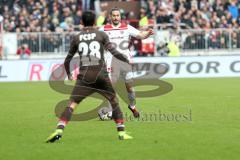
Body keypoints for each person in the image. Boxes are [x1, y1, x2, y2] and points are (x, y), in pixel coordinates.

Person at [46, 11, 133, 143]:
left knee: (72, 104)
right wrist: (125, 59)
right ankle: (122, 132)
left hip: (84, 76)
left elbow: (67, 59)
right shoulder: (101, 34)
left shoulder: (77, 37)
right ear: (94, 22)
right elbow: (113, 51)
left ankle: (59, 129)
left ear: (81, 22)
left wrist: (69, 74)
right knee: (114, 101)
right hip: (101, 73)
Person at [98, 7, 153, 119]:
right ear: (110, 17)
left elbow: (140, 35)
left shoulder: (127, 27)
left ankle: (132, 106)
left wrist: (147, 33)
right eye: (114, 15)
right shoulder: (103, 29)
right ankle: (111, 111)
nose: (116, 17)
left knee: (130, 88)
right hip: (111, 62)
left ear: (120, 16)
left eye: (117, 15)